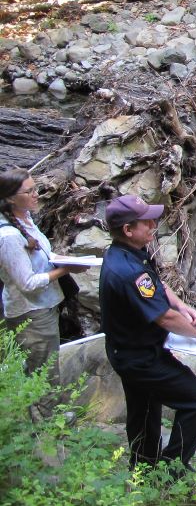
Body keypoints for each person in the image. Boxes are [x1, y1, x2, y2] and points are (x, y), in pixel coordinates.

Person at [99, 194, 196, 470]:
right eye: (147, 222)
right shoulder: (125, 270)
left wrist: (181, 303)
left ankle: (143, 466)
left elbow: (156, 284)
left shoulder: (129, 252)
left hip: (131, 350)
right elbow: (164, 317)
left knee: (145, 410)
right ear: (128, 229)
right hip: (139, 357)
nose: (154, 225)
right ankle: (173, 467)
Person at [0, 168, 88, 403]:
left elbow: (40, 258)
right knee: (42, 376)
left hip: (44, 308)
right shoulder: (8, 236)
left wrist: (66, 261)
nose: (36, 194)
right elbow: (27, 283)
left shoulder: (25, 220)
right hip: (31, 313)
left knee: (47, 371)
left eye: (35, 188)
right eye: (29, 191)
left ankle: (49, 426)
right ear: (9, 197)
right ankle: (45, 433)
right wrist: (65, 270)